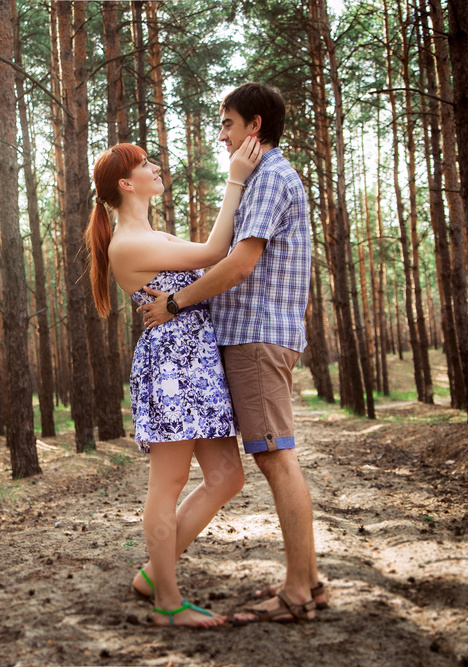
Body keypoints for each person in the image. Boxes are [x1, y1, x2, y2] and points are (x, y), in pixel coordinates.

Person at [138, 82, 324, 623]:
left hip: (257, 336)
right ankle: (308, 582)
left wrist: (175, 302)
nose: (222, 136)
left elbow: (241, 264)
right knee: (271, 455)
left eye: (227, 124)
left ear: (254, 127)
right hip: (254, 334)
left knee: (274, 455)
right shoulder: (265, 178)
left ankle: (295, 592)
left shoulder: (268, 178)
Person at [84, 138, 262, 628]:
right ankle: (167, 599)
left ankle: (151, 575)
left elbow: (214, 264)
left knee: (227, 477)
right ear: (126, 183)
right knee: (170, 481)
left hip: (197, 360)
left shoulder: (149, 233)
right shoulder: (129, 242)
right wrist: (235, 179)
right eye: (146, 164)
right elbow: (216, 251)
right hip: (172, 365)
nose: (156, 167)